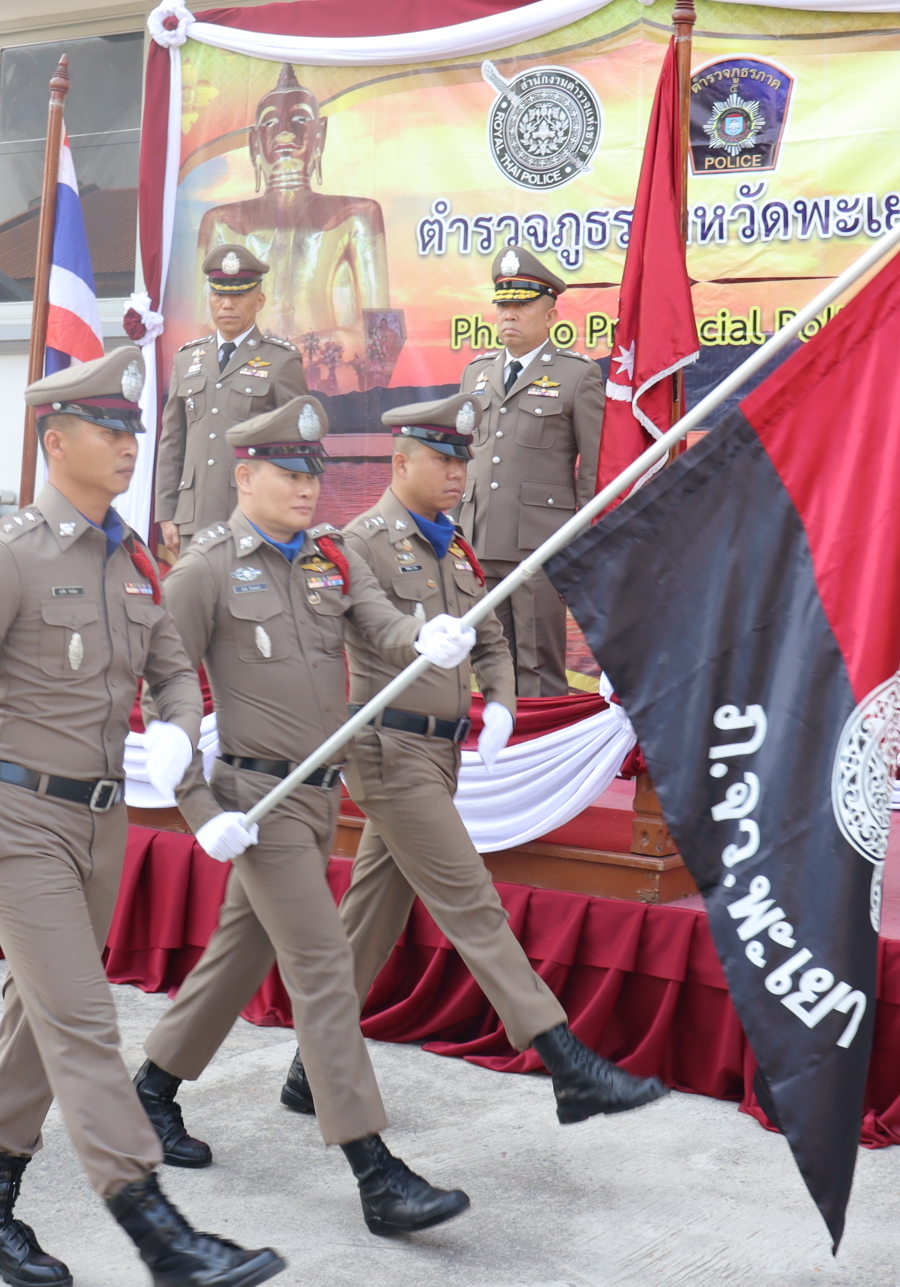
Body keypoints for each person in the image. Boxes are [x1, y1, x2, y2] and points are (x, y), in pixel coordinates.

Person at [0, 347, 284, 1287]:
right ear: (56, 441)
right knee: (85, 1019)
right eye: (109, 428)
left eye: (134, 427)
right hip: (15, 818)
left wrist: (178, 729)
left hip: (100, 826)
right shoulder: (7, 558)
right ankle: (158, 1232)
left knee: (40, 1015)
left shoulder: (133, 557)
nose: (129, 443)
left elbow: (174, 669)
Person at [131, 395, 474, 1239]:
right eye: (288, 474)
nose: (307, 487)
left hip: (321, 795)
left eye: (313, 473)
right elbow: (164, 689)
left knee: (240, 953)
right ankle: (375, 1173)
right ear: (244, 476)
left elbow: (377, 622)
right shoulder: (206, 569)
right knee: (321, 969)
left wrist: (423, 637)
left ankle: (151, 1091)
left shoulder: (328, 557)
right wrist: (198, 806)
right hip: (257, 801)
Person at [282, 391, 668, 1124]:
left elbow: (490, 637)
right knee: (470, 900)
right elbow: (371, 624)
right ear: (401, 463)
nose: (458, 472)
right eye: (443, 459)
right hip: (389, 750)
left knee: (370, 919)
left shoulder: (453, 545)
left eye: (463, 459)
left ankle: (312, 1065)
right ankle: (565, 1061)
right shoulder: (359, 541)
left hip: (440, 752)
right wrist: (417, 637)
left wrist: (503, 703)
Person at [195, 63, 402, 392]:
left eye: (300, 120)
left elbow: (382, 333)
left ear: (321, 134)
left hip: (327, 378)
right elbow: (203, 328)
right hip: (243, 381)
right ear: (254, 141)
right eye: (270, 123)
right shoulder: (221, 222)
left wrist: (305, 348)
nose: (285, 133)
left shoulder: (357, 215)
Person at [456, 247, 605, 697]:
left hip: (540, 544)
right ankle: (502, 742)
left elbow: (594, 467)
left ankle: (544, 742)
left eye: (522, 305)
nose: (509, 315)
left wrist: (580, 542)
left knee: (539, 667)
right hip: (479, 540)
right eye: (503, 305)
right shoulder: (476, 374)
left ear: (550, 314)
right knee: (489, 664)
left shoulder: (577, 375)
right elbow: (461, 457)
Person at [153, 244, 310, 559]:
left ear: (259, 300)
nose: (227, 304)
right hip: (193, 517)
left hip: (255, 517)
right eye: (218, 295)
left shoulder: (281, 360)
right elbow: (172, 441)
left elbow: (298, 447)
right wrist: (166, 513)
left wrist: (285, 514)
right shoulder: (187, 359)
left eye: (238, 295)